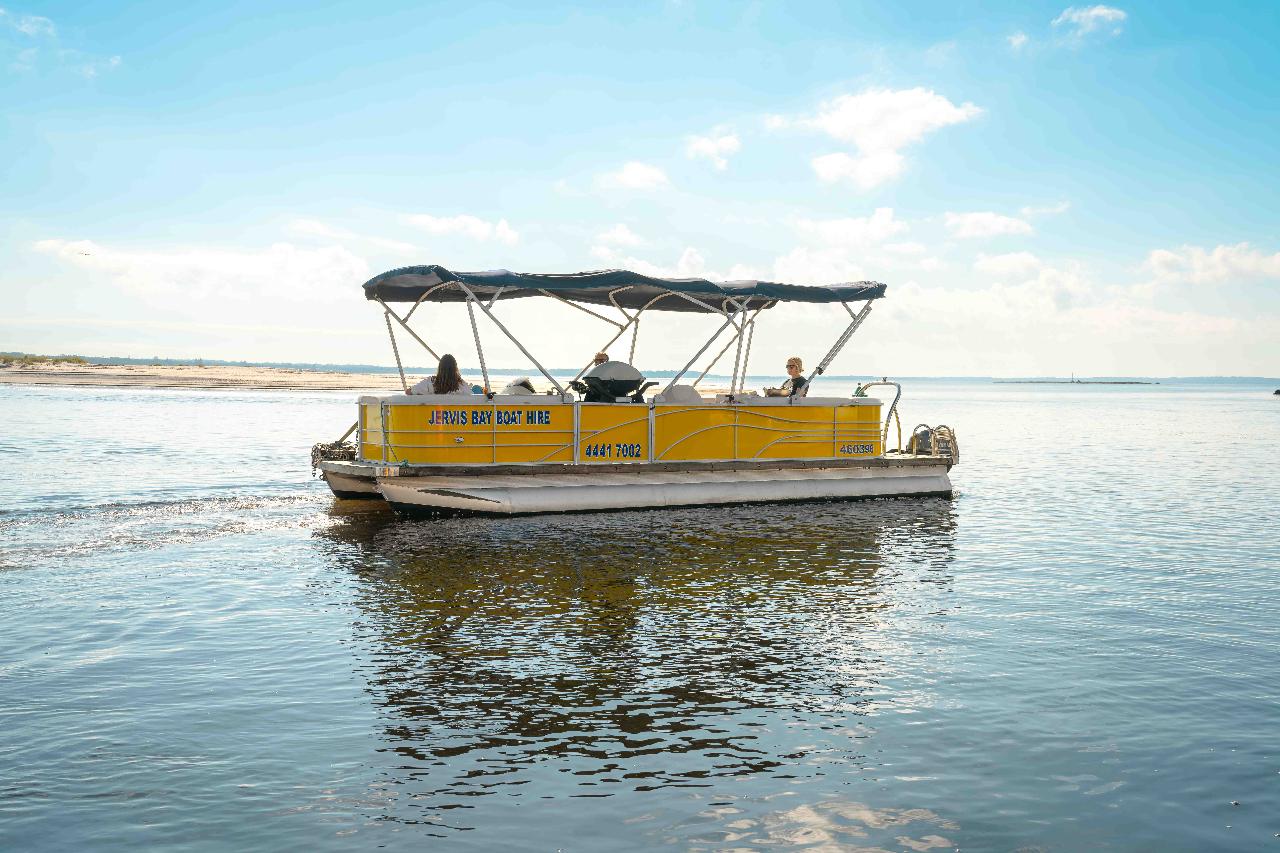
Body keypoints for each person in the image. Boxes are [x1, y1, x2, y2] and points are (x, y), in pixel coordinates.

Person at [410, 354, 474, 395]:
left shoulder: (430, 382)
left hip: (434, 414)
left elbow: (409, 392)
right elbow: (471, 396)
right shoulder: (461, 384)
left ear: (440, 368)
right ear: (455, 368)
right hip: (455, 414)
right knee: (476, 388)